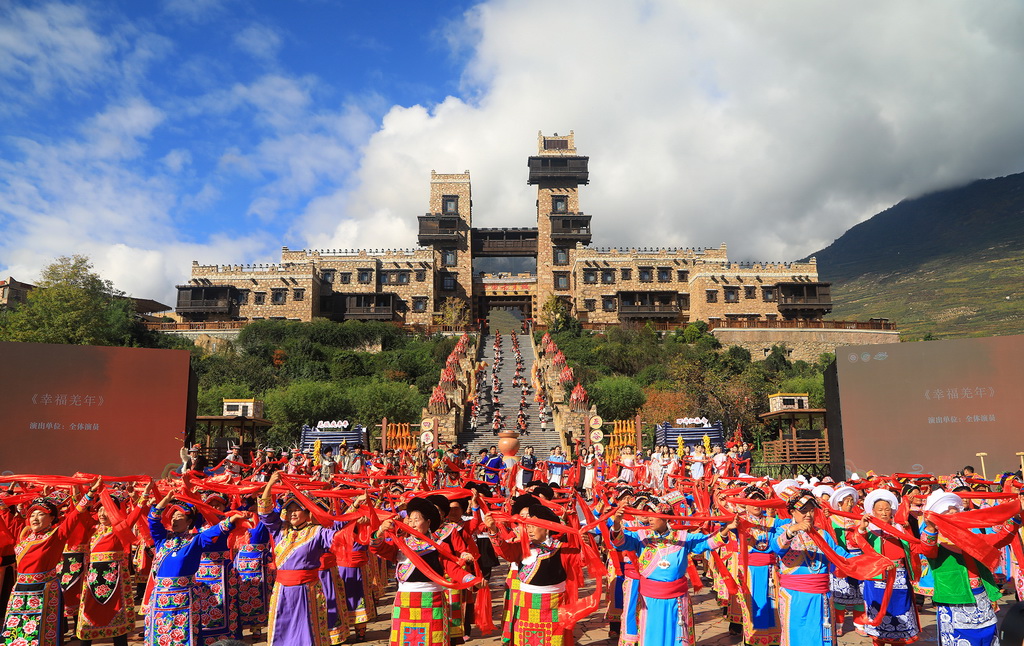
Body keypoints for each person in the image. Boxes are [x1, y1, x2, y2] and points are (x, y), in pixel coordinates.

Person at [612, 498, 738, 646]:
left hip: (676, 601)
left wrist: (727, 528)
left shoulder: (683, 538)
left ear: (666, 517)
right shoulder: (641, 536)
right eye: (648, 515)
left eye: (654, 515)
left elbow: (708, 542)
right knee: (651, 637)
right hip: (649, 601)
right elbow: (619, 542)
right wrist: (616, 523)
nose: (650, 519)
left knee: (677, 637)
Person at [1, 477, 102, 646]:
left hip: (44, 590)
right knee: (17, 632)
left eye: (41, 514)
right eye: (32, 514)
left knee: (43, 633)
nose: (35, 517)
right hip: (20, 591)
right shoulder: (23, 535)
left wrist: (90, 493)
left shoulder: (55, 536)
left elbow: (76, 514)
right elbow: (5, 515)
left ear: (52, 518)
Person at [258, 472, 350, 645]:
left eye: (297, 509)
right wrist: (270, 483)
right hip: (282, 591)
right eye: (290, 510)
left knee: (307, 633)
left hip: (307, 591)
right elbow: (264, 512)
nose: (292, 513)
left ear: (308, 513)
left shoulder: (317, 532)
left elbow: (338, 538)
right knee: (281, 631)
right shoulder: (280, 530)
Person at [920, 488, 1020, 646]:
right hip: (954, 600)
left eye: (955, 512)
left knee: (986, 636)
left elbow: (1000, 539)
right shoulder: (936, 541)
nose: (953, 516)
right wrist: (931, 528)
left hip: (980, 596)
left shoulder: (971, 538)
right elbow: (927, 549)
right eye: (948, 513)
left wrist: (1015, 516)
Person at [144, 487, 242, 646]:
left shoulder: (195, 541)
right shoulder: (163, 541)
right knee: (159, 638)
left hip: (184, 600)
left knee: (185, 637)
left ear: (189, 521)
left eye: (179, 516)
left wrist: (232, 519)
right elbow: (153, 520)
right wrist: (166, 500)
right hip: (160, 599)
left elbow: (214, 532)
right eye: (173, 517)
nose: (174, 520)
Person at [770, 488, 854, 646]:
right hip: (795, 597)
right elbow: (777, 548)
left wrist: (871, 562)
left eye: (811, 510)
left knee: (820, 637)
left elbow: (842, 556)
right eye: (803, 510)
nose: (808, 514)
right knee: (796, 637)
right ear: (792, 512)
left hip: (820, 597)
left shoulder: (822, 535)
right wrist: (791, 531)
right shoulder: (783, 532)